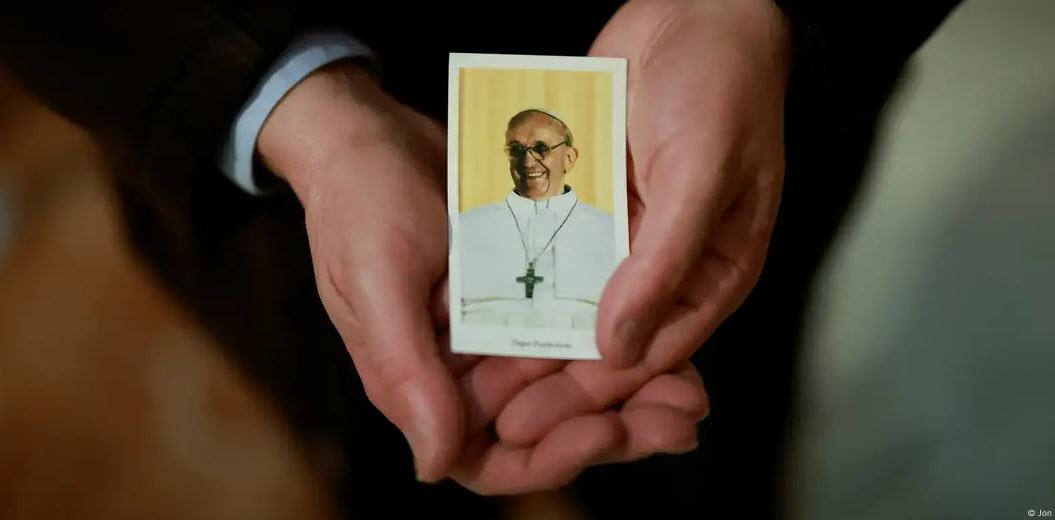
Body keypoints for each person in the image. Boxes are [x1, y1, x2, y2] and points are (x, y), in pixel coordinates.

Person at [0, 0, 963, 517]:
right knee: (385, 451)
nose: (539, 164)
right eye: (530, 156)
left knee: (709, 453)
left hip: (732, 148)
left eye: (547, 155)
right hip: (271, 206)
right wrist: (294, 108)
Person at [460, 109, 615, 329]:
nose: (527, 161)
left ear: (569, 158)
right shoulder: (465, 227)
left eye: (540, 149)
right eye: (517, 150)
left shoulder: (611, 231)